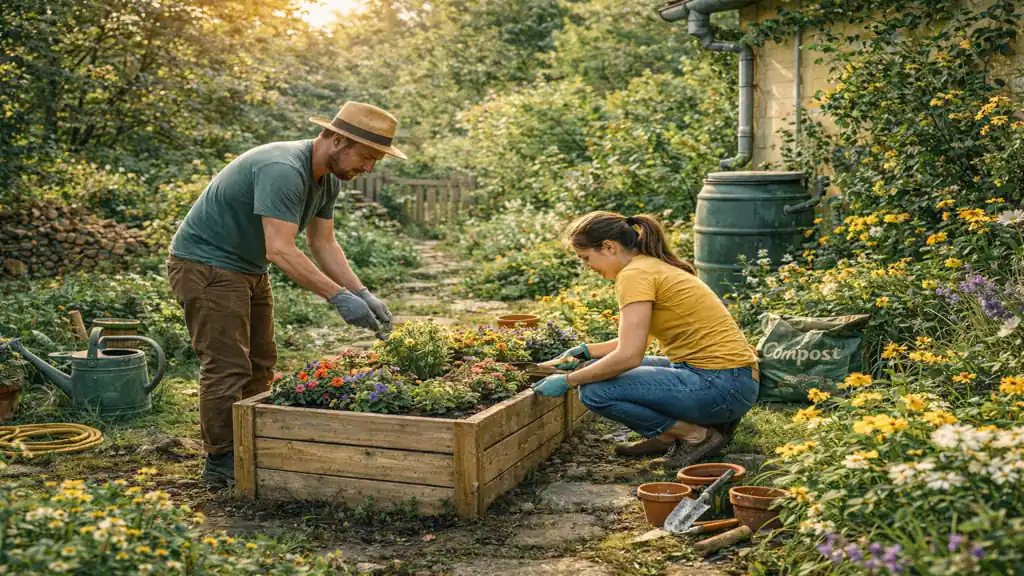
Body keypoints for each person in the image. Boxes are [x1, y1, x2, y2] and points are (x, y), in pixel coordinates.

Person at [166, 101, 405, 486]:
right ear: (338, 139)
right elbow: (280, 249)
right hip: (206, 265)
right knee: (227, 366)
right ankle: (222, 461)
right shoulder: (283, 169)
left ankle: (251, 444)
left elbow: (323, 243)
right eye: (366, 156)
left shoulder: (325, 178)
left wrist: (362, 292)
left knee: (261, 361)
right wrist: (336, 297)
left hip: (248, 268)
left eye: (375, 160)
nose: (369, 168)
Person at [531, 211, 758, 471]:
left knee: (595, 391)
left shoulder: (634, 275)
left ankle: (695, 436)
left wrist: (568, 380)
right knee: (598, 371)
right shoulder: (651, 266)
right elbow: (639, 339)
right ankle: (667, 437)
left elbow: (629, 357)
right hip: (735, 382)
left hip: (720, 387)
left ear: (608, 247)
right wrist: (586, 353)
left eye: (586, 258)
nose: (587, 266)